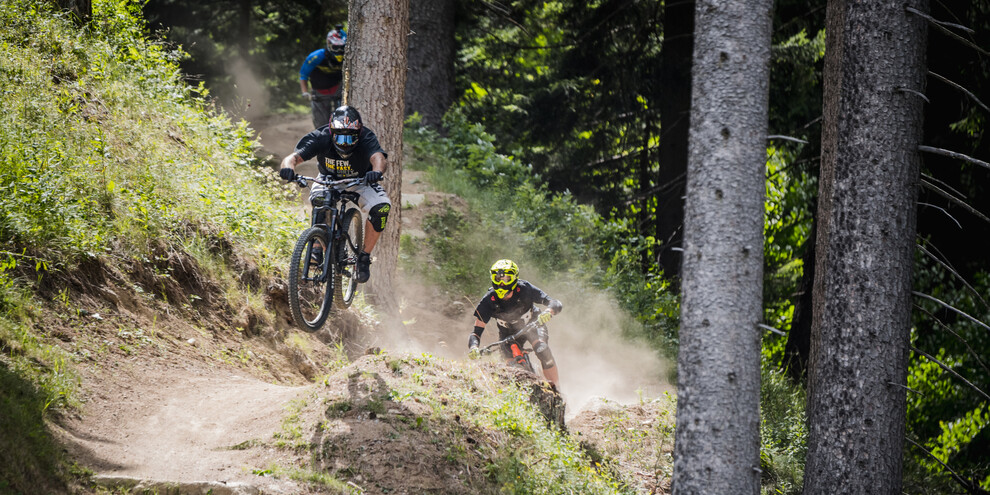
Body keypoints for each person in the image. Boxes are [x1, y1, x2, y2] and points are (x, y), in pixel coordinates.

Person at [278, 105, 390, 284]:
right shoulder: (320, 137)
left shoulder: (366, 137)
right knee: (320, 201)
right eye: (340, 138)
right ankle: (317, 246)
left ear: (358, 133)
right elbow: (292, 158)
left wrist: (376, 172)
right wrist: (287, 168)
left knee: (381, 208)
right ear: (331, 132)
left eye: (350, 138)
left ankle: (364, 258)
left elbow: (378, 158)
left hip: (360, 181)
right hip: (328, 180)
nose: (345, 143)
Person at [467, 259, 563, 389]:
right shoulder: (489, 300)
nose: (501, 283)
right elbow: (476, 332)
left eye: (506, 278)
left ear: (514, 278)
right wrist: (473, 347)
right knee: (510, 367)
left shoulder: (525, 288)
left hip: (533, 324)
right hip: (507, 334)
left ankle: (557, 389)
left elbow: (554, 302)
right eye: (498, 278)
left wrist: (549, 311)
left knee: (542, 349)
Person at [299, 25, 347, 129]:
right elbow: (303, 75)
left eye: (342, 47)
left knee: (343, 121)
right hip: (319, 92)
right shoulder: (316, 57)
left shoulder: (348, 56)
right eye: (335, 47)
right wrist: (305, 92)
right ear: (329, 45)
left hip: (337, 90)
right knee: (321, 125)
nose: (339, 51)